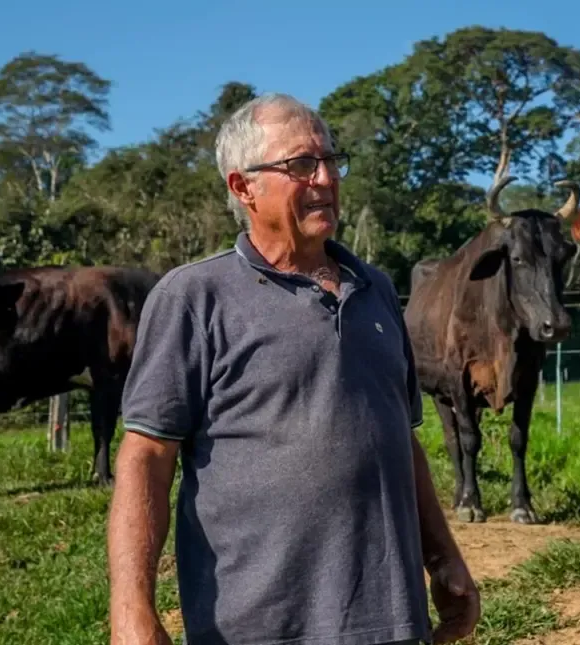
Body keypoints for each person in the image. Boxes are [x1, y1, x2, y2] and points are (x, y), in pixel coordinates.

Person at [106, 93, 480, 645]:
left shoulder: (375, 290)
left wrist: (443, 557)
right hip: (257, 626)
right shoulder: (193, 298)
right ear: (243, 187)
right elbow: (146, 457)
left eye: (331, 161)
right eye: (302, 165)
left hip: (392, 622)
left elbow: (400, 438)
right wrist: (131, 611)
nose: (326, 178)